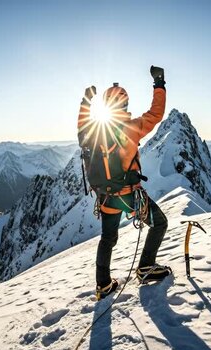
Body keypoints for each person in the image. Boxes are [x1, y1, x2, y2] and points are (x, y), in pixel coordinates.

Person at [77, 66, 171, 301]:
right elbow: (156, 114)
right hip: (130, 196)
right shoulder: (132, 128)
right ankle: (145, 267)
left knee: (107, 239)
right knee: (159, 223)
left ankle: (103, 285)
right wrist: (159, 84)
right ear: (125, 105)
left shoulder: (93, 130)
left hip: (106, 197)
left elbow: (81, 127)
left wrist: (86, 100)